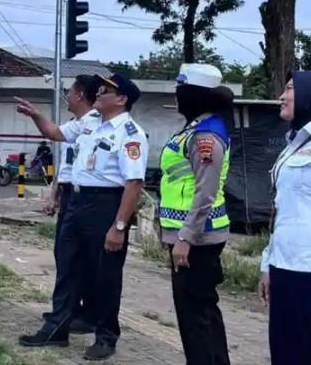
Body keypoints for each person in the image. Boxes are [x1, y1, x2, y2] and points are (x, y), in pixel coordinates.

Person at [16, 73, 148, 361]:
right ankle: (56, 329)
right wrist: (36, 115)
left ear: (122, 99)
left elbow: (134, 183)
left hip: (105, 205)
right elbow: (55, 134)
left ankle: (105, 336)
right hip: (77, 200)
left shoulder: (130, 133)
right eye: (99, 87)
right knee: (67, 268)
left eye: (107, 89)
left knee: (105, 274)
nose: (98, 92)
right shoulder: (90, 123)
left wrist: (119, 226)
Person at [159, 64, 234, 365]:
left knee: (196, 318)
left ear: (193, 96)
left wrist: (185, 239)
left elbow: (204, 193)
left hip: (198, 240)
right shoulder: (195, 129)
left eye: (180, 92)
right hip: (191, 237)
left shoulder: (206, 136)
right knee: (199, 313)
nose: (176, 98)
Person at [41, 74, 100, 335]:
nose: (66, 97)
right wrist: (53, 194)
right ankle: (68, 310)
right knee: (65, 257)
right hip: (68, 193)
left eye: (70, 92)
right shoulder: (76, 126)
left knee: (81, 259)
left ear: (80, 96)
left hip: (86, 198)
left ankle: (86, 313)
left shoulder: (95, 126)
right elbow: (67, 166)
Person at [259, 71, 311, 364]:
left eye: (289, 88)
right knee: (285, 350)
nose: (281, 95)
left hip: (308, 270)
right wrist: (268, 264)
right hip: (285, 266)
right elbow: (280, 211)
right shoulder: (294, 143)